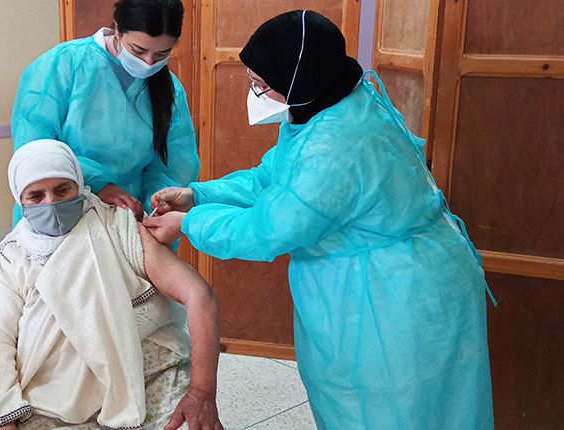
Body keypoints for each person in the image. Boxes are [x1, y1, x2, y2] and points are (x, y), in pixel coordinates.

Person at [143, 10, 494, 430]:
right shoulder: (324, 105)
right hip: (376, 282)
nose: (255, 94)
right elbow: (273, 177)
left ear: (298, 79)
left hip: (397, 298)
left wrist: (189, 223)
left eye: (261, 85)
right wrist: (199, 194)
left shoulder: (336, 145)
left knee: (395, 412)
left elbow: (265, 231)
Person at [0, 140, 223, 430]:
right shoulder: (12, 258)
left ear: (79, 185)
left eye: (62, 190)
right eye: (35, 195)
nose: (51, 203)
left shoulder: (117, 226)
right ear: (20, 200)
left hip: (146, 374)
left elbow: (199, 294)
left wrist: (202, 393)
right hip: (51, 393)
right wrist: (3, 419)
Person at [10, 0, 199, 226]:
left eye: (162, 54)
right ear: (117, 29)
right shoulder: (64, 64)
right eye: (138, 50)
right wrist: (97, 184)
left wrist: (156, 209)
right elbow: (34, 151)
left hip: (131, 215)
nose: (148, 63)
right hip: (60, 208)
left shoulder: (170, 89)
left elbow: (176, 165)